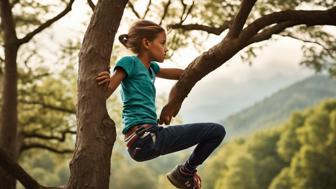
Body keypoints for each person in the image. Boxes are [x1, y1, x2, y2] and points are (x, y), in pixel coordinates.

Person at [95, 20, 226, 189]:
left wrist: (171, 106)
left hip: (148, 137)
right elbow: (107, 91)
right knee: (216, 131)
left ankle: (184, 173)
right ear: (147, 43)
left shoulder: (152, 69)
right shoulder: (129, 62)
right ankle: (185, 173)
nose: (166, 48)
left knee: (215, 132)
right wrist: (105, 79)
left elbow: (184, 75)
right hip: (144, 138)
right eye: (162, 43)